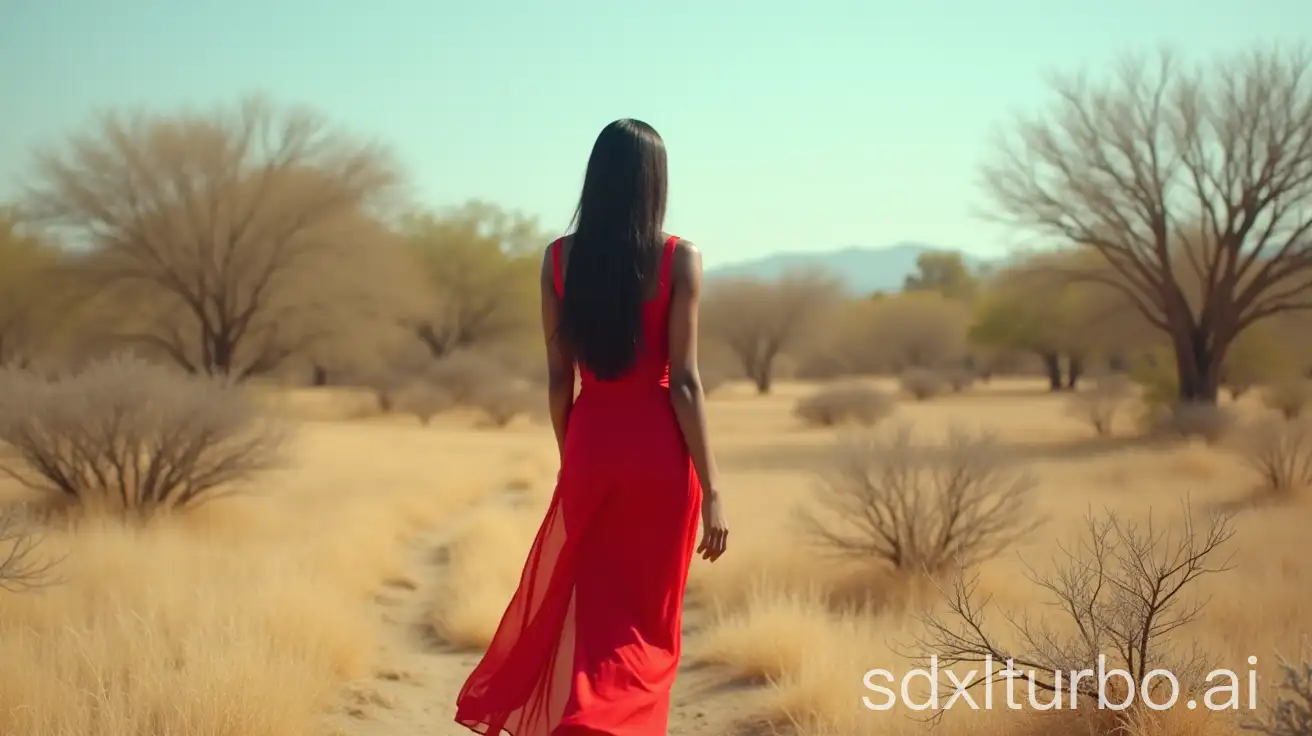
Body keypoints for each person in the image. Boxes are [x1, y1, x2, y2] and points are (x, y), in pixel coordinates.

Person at [452, 118, 729, 736]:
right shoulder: (680, 258)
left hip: (591, 442)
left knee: (592, 607)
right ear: (655, 181)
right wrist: (713, 490)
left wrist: (572, 455)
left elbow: (559, 380)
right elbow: (684, 380)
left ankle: (583, 718)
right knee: (645, 624)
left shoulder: (557, 258)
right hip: (659, 454)